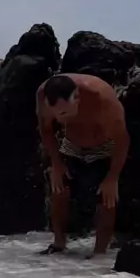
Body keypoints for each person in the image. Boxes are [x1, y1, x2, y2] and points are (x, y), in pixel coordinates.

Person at [36, 72, 129, 256]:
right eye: (56, 114)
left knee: (106, 198)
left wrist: (112, 177)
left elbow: (122, 139)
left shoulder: (101, 98)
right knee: (58, 189)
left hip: (104, 146)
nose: (60, 119)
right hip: (71, 144)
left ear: (77, 97)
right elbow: (45, 130)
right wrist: (56, 164)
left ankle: (99, 253)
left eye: (64, 113)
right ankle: (59, 244)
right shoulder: (43, 95)